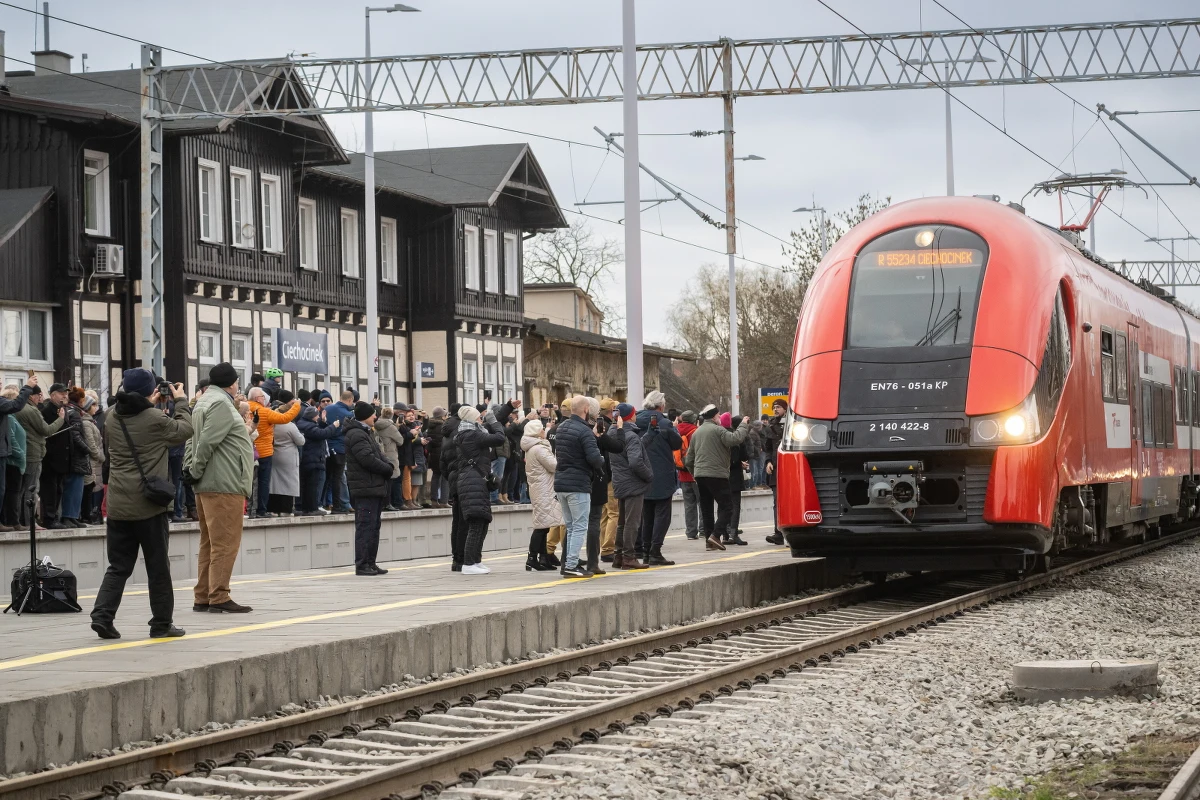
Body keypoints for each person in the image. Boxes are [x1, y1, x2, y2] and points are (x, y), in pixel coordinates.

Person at [90, 369, 193, 640]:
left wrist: (150, 400)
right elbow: (185, 429)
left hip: (118, 506)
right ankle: (161, 624)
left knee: (118, 566)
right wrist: (180, 400)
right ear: (150, 391)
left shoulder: (112, 416)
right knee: (157, 568)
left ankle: (102, 615)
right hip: (148, 506)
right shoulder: (156, 418)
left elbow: (137, 416)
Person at [185, 362, 255, 614]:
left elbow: (193, 439)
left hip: (208, 483)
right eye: (237, 381)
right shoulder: (222, 404)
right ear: (232, 382)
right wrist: (195, 468)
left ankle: (203, 595)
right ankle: (219, 596)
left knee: (209, 542)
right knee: (225, 542)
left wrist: (191, 469)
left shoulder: (203, 401)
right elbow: (206, 442)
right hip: (224, 482)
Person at [553, 395, 607, 578]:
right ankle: (571, 565)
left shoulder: (561, 428)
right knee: (580, 525)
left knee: (570, 525)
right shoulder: (584, 431)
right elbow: (594, 459)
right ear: (586, 410)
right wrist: (601, 459)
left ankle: (567, 563)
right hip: (578, 484)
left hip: (561, 483)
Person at [685, 405, 750, 551]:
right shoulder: (718, 430)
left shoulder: (697, 432)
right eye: (719, 415)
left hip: (700, 476)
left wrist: (695, 473)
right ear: (714, 417)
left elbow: (689, 459)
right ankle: (715, 535)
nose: (720, 418)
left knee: (706, 509)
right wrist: (744, 424)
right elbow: (735, 438)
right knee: (728, 507)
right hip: (717, 475)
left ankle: (709, 543)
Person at [452, 404, 506, 575]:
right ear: (471, 419)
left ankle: (475, 560)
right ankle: (468, 563)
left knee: (482, 522)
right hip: (472, 482)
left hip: (474, 481)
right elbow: (499, 438)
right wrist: (494, 421)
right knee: (476, 523)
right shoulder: (471, 435)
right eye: (478, 417)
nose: (480, 419)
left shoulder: (470, 433)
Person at [344, 401, 394, 575]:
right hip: (365, 487)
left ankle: (370, 562)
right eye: (373, 414)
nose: (376, 416)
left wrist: (388, 464)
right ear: (365, 416)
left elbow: (379, 454)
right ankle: (363, 564)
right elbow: (367, 459)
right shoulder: (357, 434)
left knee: (373, 526)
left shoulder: (365, 432)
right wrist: (387, 469)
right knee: (366, 526)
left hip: (373, 486)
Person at [635, 391, 682, 565]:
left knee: (646, 515)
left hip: (641, 473)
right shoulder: (663, 422)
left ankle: (645, 551)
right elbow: (677, 443)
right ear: (660, 405)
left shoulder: (635, 420)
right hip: (662, 474)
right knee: (662, 514)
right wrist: (673, 427)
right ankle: (655, 550)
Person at [15, 382, 64, 529]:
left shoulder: (18, 408)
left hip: (23, 453)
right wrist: (60, 419)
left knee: (21, 489)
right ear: (32, 396)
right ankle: (31, 522)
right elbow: (47, 430)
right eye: (38, 395)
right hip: (33, 454)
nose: (40, 398)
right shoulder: (31, 410)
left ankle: (20, 520)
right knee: (31, 490)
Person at [609, 402, 652, 570]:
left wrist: (648, 437)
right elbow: (635, 462)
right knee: (632, 523)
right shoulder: (631, 436)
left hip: (619, 482)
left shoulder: (613, 433)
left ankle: (618, 556)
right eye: (634, 413)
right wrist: (648, 475)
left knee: (622, 522)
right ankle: (629, 557)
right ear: (630, 416)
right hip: (633, 483)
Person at [247, 386, 301, 518]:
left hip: (248, 451)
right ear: (257, 399)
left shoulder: (245, 408)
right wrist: (296, 406)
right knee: (263, 483)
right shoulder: (263, 411)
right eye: (262, 397)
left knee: (249, 482)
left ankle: (250, 510)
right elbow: (285, 418)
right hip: (264, 452)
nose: (264, 399)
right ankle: (261, 510)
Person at [520, 417, 559, 571]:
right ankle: (532, 558)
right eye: (542, 429)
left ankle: (542, 558)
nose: (544, 431)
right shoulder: (539, 449)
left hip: (539, 488)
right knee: (542, 526)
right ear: (537, 432)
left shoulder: (532, 447)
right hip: (544, 489)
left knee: (544, 524)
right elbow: (554, 465)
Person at [0, 379, 35, 531]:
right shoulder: (5, 407)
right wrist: (27, 387)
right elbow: (16, 405)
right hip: (6, 455)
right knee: (4, 490)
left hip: (4, 453)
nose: (0, 384)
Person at [295, 404, 340, 515]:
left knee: (306, 485)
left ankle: (305, 508)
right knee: (312, 485)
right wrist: (333, 426)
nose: (318, 417)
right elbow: (322, 433)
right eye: (317, 415)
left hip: (306, 459)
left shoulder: (302, 424)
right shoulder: (309, 426)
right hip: (313, 459)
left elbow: (315, 429)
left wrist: (322, 422)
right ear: (312, 416)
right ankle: (312, 508)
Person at [59, 387, 93, 529]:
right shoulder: (75, 414)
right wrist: (87, 449)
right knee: (74, 487)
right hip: (76, 457)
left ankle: (73, 516)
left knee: (76, 488)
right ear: (80, 400)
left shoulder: (69, 411)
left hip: (72, 456)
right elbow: (75, 435)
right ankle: (69, 516)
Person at [40, 383, 72, 528]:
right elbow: (47, 433)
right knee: (50, 490)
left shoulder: (63, 410)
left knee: (58, 489)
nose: (64, 396)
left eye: (65, 393)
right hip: (51, 460)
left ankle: (55, 517)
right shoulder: (47, 412)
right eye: (61, 393)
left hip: (62, 459)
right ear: (52, 395)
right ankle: (49, 518)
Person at [268, 391, 304, 517]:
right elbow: (301, 441)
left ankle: (273, 508)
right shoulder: (289, 426)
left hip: (275, 454)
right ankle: (286, 509)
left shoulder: (272, 423)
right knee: (289, 483)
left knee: (274, 483)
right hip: (288, 457)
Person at [440, 402, 466, 571]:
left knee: (456, 522)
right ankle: (462, 558)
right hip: (463, 478)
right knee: (464, 522)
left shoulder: (447, 431)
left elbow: (442, 461)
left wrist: (449, 477)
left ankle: (456, 558)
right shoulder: (462, 429)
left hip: (453, 478)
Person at [720, 412, 751, 546]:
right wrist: (740, 463)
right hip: (734, 477)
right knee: (735, 506)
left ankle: (725, 534)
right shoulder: (736, 438)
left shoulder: (718, 436)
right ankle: (734, 534)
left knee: (723, 505)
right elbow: (741, 456)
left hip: (721, 476)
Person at [596, 398, 620, 562]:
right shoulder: (609, 428)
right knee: (614, 513)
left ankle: (602, 546)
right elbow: (617, 448)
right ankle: (608, 548)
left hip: (600, 476)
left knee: (604, 514)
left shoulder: (595, 427)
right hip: (609, 475)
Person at [323, 390, 355, 513]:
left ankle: (323, 503)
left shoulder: (329, 409)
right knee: (338, 478)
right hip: (340, 448)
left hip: (327, 447)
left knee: (326, 478)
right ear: (350, 400)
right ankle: (339, 506)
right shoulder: (349, 414)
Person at [78, 392, 105, 526]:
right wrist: (101, 456)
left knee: (94, 488)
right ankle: (88, 515)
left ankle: (91, 514)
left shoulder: (90, 422)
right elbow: (91, 444)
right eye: (93, 405)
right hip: (93, 462)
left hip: (95, 462)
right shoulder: (87, 424)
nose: (96, 407)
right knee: (91, 488)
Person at [764, 399, 787, 545]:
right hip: (775, 467)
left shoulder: (793, 423)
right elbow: (768, 448)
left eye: (778, 407)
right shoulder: (771, 426)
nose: (775, 409)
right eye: (774, 407)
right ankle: (778, 533)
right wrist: (768, 462)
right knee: (776, 501)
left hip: (789, 467)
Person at [374, 407, 406, 511]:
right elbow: (400, 440)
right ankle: (389, 503)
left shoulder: (376, 424)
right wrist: (397, 427)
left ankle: (383, 503)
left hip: (380, 454)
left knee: (382, 480)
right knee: (391, 479)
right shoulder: (391, 427)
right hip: (390, 454)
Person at [675, 410, 700, 540]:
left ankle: (691, 532)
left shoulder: (675, 430)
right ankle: (703, 529)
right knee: (702, 503)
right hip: (696, 473)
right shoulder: (696, 432)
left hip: (682, 473)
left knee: (689, 505)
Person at [426, 407, 448, 507]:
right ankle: (444, 500)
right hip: (443, 454)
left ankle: (434, 500)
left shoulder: (430, 426)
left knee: (435, 476)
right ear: (442, 416)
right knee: (445, 478)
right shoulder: (443, 427)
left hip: (434, 455)